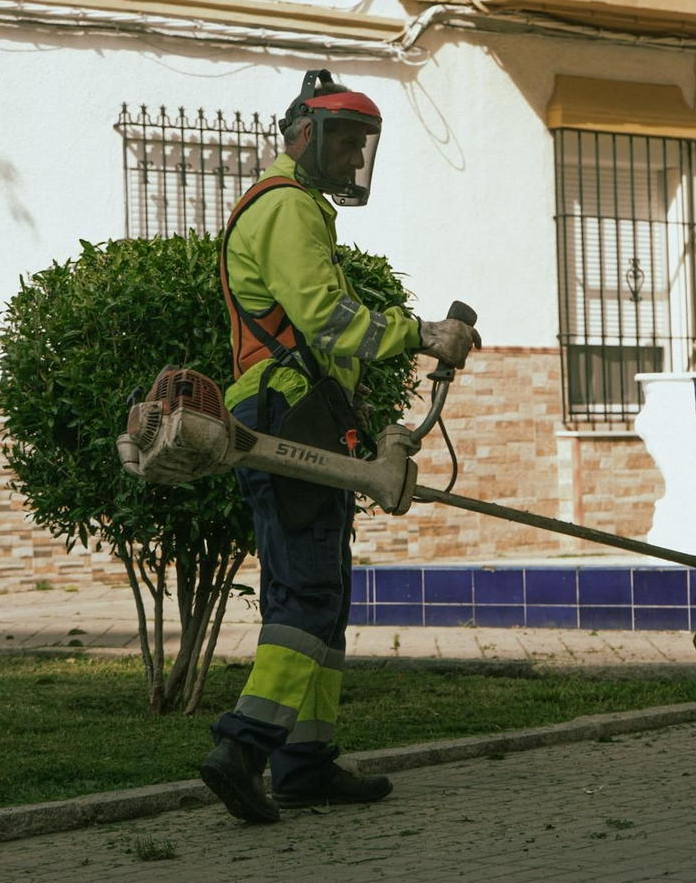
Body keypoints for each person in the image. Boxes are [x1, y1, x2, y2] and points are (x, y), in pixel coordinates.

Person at [200, 69, 481, 824]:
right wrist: (421, 332)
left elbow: (319, 335)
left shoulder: (296, 210)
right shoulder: (287, 207)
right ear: (305, 135)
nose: (355, 160)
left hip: (303, 419)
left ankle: (305, 765)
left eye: (363, 148)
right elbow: (326, 320)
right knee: (306, 594)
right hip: (287, 417)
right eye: (347, 143)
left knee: (323, 600)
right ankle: (243, 748)